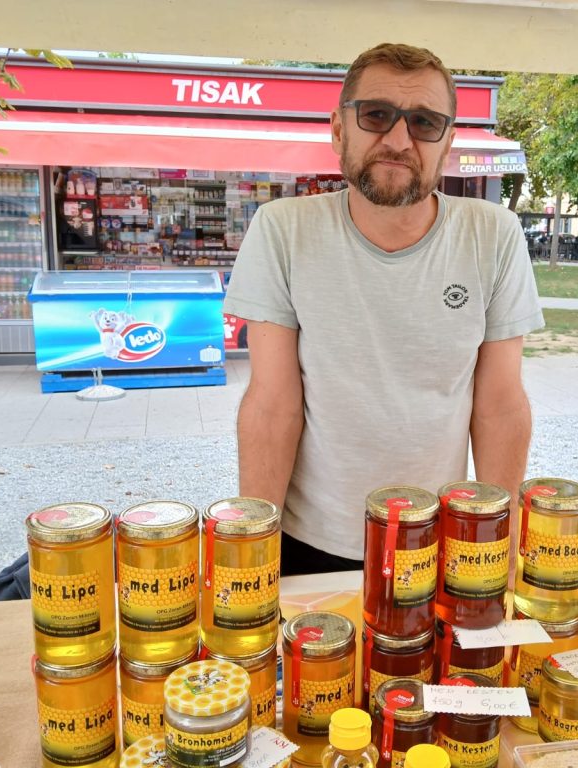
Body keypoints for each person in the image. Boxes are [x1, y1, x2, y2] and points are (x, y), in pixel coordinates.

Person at [222, 42, 544, 576]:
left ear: (447, 144)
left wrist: (497, 544)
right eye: (376, 115)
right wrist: (254, 548)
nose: (398, 140)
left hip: (440, 536)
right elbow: (272, 405)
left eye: (424, 122)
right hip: (308, 540)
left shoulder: (494, 235)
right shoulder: (283, 230)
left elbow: (500, 405)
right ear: (338, 130)